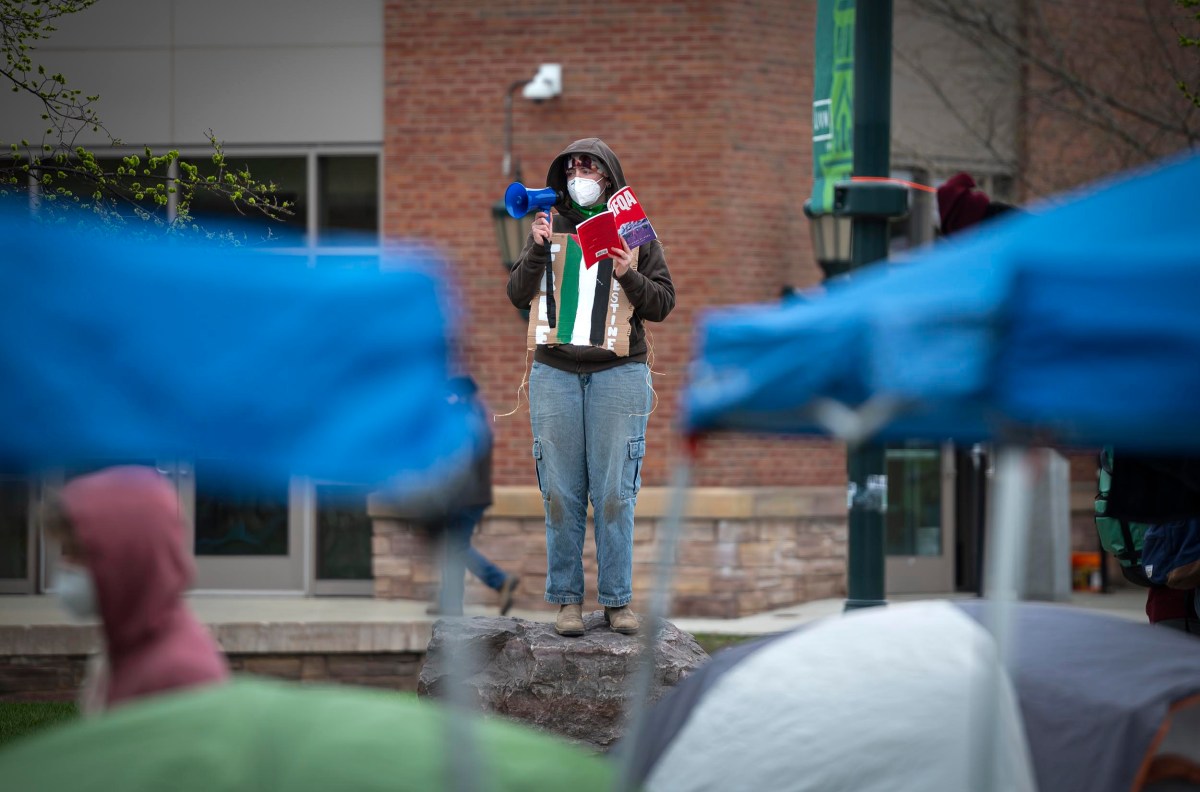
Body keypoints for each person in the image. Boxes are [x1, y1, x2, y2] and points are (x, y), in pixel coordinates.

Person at [506, 138, 675, 637]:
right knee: (560, 492)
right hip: (554, 372)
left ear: (609, 175)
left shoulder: (633, 227)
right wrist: (537, 250)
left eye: (591, 165)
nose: (580, 172)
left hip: (619, 374)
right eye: (573, 165)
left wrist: (628, 273)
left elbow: (663, 302)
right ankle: (566, 602)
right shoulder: (548, 222)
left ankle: (617, 603)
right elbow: (518, 295)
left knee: (615, 492)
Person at [47, 465, 229, 713]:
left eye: (78, 553)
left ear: (129, 557)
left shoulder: (182, 675)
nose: (65, 567)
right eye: (64, 552)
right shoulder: (123, 648)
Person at [428, 375, 521, 617]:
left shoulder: (464, 420)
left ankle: (498, 581)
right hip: (473, 495)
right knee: (452, 546)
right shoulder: (477, 415)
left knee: (455, 548)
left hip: (463, 497)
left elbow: (456, 462)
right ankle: (447, 600)